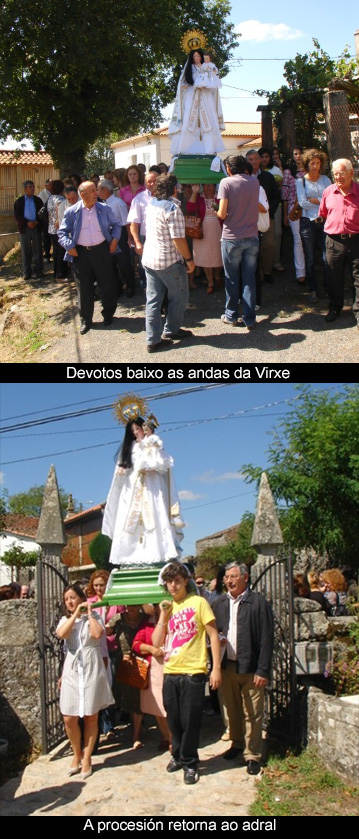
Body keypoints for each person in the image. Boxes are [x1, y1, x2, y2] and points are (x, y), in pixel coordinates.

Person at [152, 561, 221, 784]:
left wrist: (216, 668)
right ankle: (177, 756)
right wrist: (163, 616)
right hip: (171, 672)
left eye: (177, 581)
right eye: (169, 582)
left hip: (194, 671)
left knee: (190, 720)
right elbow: (155, 642)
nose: (173, 586)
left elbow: (212, 636)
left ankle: (190, 762)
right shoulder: (166, 607)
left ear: (185, 582)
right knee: (173, 720)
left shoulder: (199, 603)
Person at [212, 562, 274, 776]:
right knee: (232, 709)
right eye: (226, 577)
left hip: (251, 668)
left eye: (233, 576)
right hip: (227, 666)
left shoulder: (257, 603)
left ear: (245, 578)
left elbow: (267, 639)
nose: (229, 581)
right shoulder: (219, 604)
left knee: (253, 713)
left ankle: (252, 754)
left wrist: (263, 670)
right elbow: (212, 634)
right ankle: (237, 743)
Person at [102, 416, 184, 566]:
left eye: (138, 429)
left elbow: (164, 465)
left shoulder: (153, 444)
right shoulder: (129, 449)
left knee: (154, 516)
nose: (136, 433)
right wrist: (122, 471)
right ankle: (129, 557)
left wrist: (152, 464)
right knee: (129, 520)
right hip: (132, 488)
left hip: (151, 487)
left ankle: (158, 554)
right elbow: (120, 472)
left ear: (145, 428)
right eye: (132, 431)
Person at [56, 584, 114, 779]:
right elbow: (62, 634)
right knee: (69, 717)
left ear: (82, 598)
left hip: (91, 668)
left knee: (91, 716)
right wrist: (74, 616)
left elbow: (97, 635)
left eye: (73, 597)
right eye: (67, 599)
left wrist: (88, 612)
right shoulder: (65, 619)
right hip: (72, 669)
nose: (70, 602)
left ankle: (87, 758)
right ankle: (76, 754)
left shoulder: (94, 617)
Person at [57, 180, 120, 334]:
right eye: (92, 191)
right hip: (81, 253)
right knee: (84, 288)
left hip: (102, 250)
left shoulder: (104, 208)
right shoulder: (72, 212)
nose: (96, 193)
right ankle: (86, 320)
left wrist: (114, 241)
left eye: (96, 190)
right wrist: (69, 246)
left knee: (107, 284)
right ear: (83, 195)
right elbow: (62, 232)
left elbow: (116, 225)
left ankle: (108, 314)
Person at [142, 173, 195, 352]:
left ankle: (152, 339)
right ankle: (172, 330)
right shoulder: (172, 209)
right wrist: (189, 260)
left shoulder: (151, 205)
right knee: (179, 296)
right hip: (168, 261)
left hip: (150, 259)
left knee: (153, 301)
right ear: (174, 189)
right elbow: (178, 240)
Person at [217, 155, 260, 329]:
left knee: (232, 278)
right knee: (249, 278)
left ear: (229, 167)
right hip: (252, 235)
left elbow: (221, 213)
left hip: (232, 237)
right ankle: (249, 318)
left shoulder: (226, 182)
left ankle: (231, 315)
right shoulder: (254, 182)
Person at [318, 158, 359, 327]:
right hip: (333, 241)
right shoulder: (328, 191)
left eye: (341, 173)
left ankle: (358, 311)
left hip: (356, 240)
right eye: (335, 174)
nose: (338, 177)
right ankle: (335, 307)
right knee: (333, 276)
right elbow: (324, 212)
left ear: (351, 173)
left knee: (358, 278)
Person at [168, 49, 225, 156]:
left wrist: (208, 83)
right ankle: (187, 148)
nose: (196, 59)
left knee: (208, 118)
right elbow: (183, 83)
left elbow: (213, 78)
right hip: (192, 96)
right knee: (189, 119)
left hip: (205, 96)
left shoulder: (206, 67)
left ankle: (208, 148)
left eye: (198, 56)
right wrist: (186, 86)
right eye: (194, 57)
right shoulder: (189, 69)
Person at [132, 604, 172, 751]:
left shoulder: (175, 619)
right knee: (157, 705)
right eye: (156, 606)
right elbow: (136, 644)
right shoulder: (148, 622)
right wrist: (151, 649)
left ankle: (175, 738)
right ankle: (166, 737)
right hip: (154, 668)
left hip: (173, 665)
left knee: (171, 704)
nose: (158, 608)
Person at [296, 148, 331, 303]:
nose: (315, 166)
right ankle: (313, 289)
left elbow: (330, 201)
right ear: (307, 164)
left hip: (324, 222)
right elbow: (302, 202)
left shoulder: (326, 180)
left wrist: (314, 200)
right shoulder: (301, 181)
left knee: (326, 257)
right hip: (307, 223)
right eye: (312, 163)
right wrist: (320, 200)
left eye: (317, 163)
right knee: (310, 258)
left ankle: (328, 287)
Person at [246, 149, 280, 285]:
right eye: (250, 159)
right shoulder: (244, 178)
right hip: (248, 219)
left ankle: (267, 272)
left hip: (266, 217)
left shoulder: (268, 177)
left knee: (269, 245)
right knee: (252, 248)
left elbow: (276, 197)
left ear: (260, 160)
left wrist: (268, 211)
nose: (254, 162)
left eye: (256, 158)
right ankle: (257, 274)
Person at [186, 184, 222, 294]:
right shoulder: (199, 197)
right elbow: (190, 208)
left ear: (215, 186)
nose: (208, 188)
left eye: (210, 186)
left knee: (219, 254)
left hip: (218, 229)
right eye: (206, 186)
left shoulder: (220, 197)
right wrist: (194, 192)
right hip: (202, 230)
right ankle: (210, 282)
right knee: (206, 257)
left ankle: (217, 276)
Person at [97, 178, 129, 298]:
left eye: (98, 189)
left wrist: (129, 238)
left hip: (120, 234)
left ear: (105, 190)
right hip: (108, 235)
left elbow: (126, 222)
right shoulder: (103, 204)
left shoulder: (118, 203)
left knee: (124, 262)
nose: (97, 192)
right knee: (111, 264)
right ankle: (117, 288)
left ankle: (130, 286)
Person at [128, 170, 159, 290]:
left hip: (163, 239)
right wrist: (137, 242)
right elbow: (134, 223)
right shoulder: (139, 199)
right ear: (145, 184)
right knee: (146, 267)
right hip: (146, 239)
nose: (152, 184)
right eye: (149, 182)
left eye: (155, 181)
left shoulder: (167, 197)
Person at [282, 147, 306, 285]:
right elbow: (285, 195)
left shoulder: (310, 171)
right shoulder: (288, 172)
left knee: (309, 241)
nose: (298, 156)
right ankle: (300, 272)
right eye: (295, 154)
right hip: (293, 209)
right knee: (298, 240)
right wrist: (285, 213)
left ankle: (310, 269)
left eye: (300, 153)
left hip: (310, 209)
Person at [14, 181, 44, 281]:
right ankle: (27, 272)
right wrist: (27, 222)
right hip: (25, 228)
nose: (32, 188)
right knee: (26, 250)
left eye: (33, 187)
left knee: (38, 249)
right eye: (30, 187)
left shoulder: (38, 200)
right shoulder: (19, 201)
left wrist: (36, 222)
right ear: (25, 189)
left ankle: (39, 270)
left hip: (36, 227)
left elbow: (42, 213)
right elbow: (17, 216)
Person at [47, 179, 67, 281]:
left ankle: (55, 272)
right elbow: (61, 213)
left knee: (55, 251)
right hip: (59, 229)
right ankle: (61, 274)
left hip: (51, 228)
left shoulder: (50, 198)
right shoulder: (61, 199)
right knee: (61, 252)